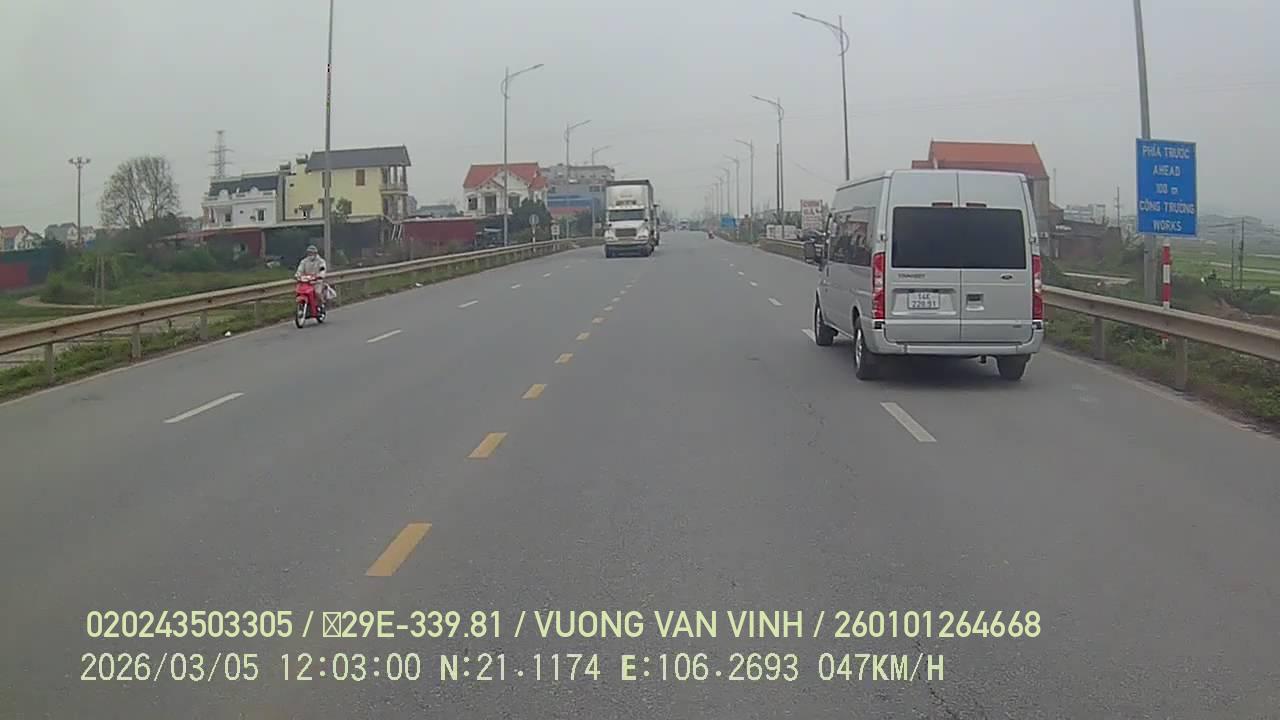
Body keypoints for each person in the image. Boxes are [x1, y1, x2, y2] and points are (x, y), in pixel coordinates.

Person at [295, 244, 329, 313]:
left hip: (317, 281)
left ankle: (321, 305)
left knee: (317, 292)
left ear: (316, 253)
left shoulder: (321, 261)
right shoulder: (304, 261)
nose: (311, 254)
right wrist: (298, 275)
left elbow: (322, 269)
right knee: (300, 291)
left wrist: (320, 275)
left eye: (312, 253)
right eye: (309, 253)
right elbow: (300, 270)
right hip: (306, 282)